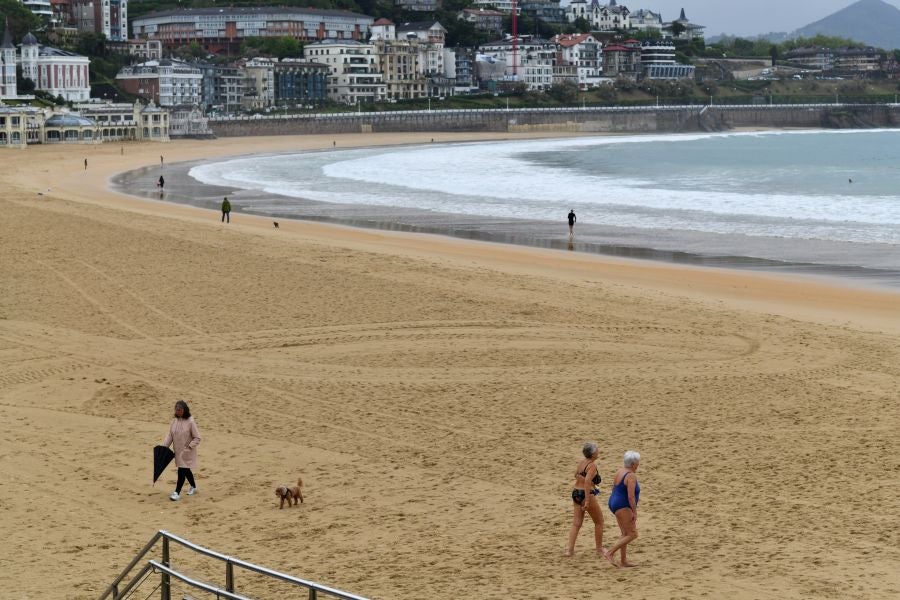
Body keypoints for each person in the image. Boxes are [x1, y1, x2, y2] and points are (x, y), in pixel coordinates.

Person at [563, 441, 606, 558]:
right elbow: (587, 482)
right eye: (597, 450)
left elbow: (576, 475)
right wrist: (587, 500)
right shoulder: (592, 465)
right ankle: (599, 549)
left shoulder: (582, 462)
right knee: (599, 521)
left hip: (575, 492)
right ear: (593, 454)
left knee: (576, 523)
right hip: (586, 494)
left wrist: (587, 481)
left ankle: (569, 550)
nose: (598, 451)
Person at [603, 450, 641, 567]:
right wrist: (634, 512)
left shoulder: (620, 471)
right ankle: (610, 553)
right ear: (633, 464)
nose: (638, 464)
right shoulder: (631, 476)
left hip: (614, 502)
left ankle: (624, 561)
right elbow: (630, 496)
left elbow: (615, 488)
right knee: (632, 534)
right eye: (637, 463)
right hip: (622, 505)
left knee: (625, 533)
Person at [161, 400, 201, 501]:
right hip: (178, 452)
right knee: (186, 470)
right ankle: (193, 487)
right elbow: (170, 435)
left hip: (187, 452)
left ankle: (176, 492)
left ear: (184, 410)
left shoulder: (190, 422)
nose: (178, 411)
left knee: (181, 471)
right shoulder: (175, 421)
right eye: (176, 410)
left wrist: (189, 447)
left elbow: (197, 438)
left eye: (180, 410)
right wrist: (164, 447)